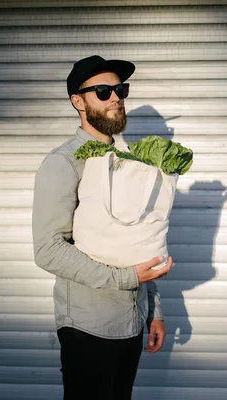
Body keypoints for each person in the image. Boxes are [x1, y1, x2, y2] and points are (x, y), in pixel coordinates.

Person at [32, 55, 173, 400]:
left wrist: (153, 311)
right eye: (103, 90)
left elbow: (142, 238)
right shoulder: (63, 162)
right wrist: (126, 279)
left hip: (132, 322)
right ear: (78, 101)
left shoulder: (129, 161)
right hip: (87, 326)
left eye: (120, 89)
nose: (116, 97)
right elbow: (48, 249)